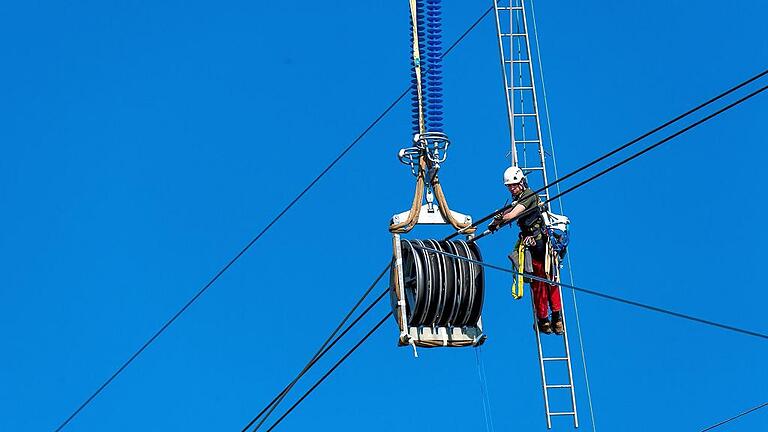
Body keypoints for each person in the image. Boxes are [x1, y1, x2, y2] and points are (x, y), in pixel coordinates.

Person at [489, 166, 563, 335]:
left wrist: (499, 220)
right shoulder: (521, 197)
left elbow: (513, 214)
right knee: (542, 283)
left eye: (513, 185)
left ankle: (555, 319)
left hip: (540, 245)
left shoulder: (528, 195)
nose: (511, 189)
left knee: (547, 281)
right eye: (509, 186)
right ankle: (545, 321)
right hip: (534, 244)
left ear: (521, 182)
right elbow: (510, 211)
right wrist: (497, 221)